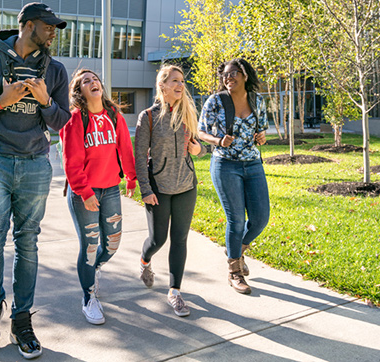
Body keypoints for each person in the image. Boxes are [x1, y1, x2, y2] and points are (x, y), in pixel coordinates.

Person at [0, 2, 69, 358]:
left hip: (35, 164)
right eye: (48, 26)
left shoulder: (55, 70)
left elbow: (62, 121)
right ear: (28, 25)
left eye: (55, 28)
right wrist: (0, 101)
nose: (53, 33)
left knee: (27, 242)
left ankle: (21, 320)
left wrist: (45, 101)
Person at [61, 68, 137, 325]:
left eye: (95, 79)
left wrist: (131, 176)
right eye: (86, 81)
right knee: (90, 247)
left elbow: (125, 147)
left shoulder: (114, 115)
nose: (93, 82)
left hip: (111, 188)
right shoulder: (75, 119)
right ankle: (89, 297)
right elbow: (71, 162)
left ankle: (93, 270)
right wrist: (84, 192)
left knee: (112, 244)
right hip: (85, 193)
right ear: (79, 91)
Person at [133, 64, 204, 317]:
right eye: (174, 80)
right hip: (159, 188)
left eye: (182, 81)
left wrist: (199, 149)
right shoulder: (148, 117)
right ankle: (145, 260)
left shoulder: (187, 113)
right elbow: (140, 157)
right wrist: (145, 190)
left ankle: (175, 292)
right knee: (158, 239)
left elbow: (198, 147)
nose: (180, 85)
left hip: (186, 185)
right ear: (162, 85)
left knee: (180, 239)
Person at [197, 58, 269, 295]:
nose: (228, 78)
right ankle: (234, 272)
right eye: (225, 75)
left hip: (253, 164)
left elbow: (261, 131)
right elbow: (201, 131)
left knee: (260, 218)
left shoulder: (257, 100)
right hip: (225, 165)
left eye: (234, 73)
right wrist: (218, 140)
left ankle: (235, 250)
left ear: (245, 75)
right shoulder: (216, 101)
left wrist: (261, 137)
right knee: (236, 220)